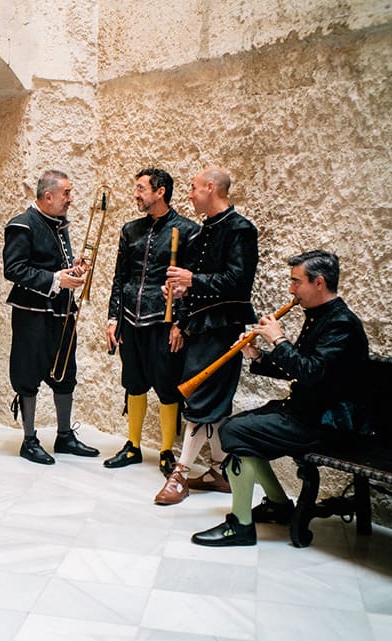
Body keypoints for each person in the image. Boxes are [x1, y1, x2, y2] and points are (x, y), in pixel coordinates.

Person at [192, 250, 368, 546]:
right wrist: (257, 355)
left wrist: (279, 339)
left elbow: (310, 372)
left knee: (234, 431)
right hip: (305, 412)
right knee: (240, 427)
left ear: (319, 283)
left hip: (329, 424)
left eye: (296, 282)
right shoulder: (320, 317)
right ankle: (277, 504)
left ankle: (241, 526)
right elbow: (297, 366)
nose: (291, 289)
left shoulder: (341, 325)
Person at [154, 167, 258, 505]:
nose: (189, 194)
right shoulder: (199, 235)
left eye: (194, 188)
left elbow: (239, 282)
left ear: (211, 188)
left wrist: (192, 281)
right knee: (211, 401)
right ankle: (218, 470)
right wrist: (180, 306)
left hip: (224, 327)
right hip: (198, 327)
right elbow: (195, 287)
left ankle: (180, 473)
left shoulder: (240, 230)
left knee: (200, 397)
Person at [105, 168, 199, 476]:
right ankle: (132, 445)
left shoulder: (188, 230)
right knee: (133, 382)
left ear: (160, 192)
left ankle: (165, 452)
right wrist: (113, 317)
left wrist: (181, 324)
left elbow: (190, 284)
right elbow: (120, 277)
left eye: (141, 188)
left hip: (165, 320)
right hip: (131, 318)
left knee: (168, 387)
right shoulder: (130, 230)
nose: (136, 194)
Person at [3, 169, 99, 464]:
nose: (71, 199)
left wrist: (73, 270)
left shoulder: (59, 225)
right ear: (48, 196)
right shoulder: (22, 224)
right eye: (66, 193)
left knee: (66, 372)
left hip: (62, 312)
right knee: (28, 373)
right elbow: (14, 269)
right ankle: (29, 440)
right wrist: (57, 278)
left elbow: (54, 265)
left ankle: (64, 436)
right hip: (32, 314)